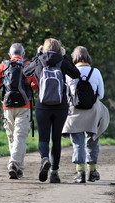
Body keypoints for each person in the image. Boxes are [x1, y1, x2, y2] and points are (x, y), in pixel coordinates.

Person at [23, 38, 80, 183]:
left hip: (43, 106)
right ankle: (54, 173)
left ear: (44, 49)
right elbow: (76, 74)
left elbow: (25, 71)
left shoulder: (39, 60)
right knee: (56, 140)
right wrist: (65, 56)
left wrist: (37, 55)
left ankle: (44, 159)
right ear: (59, 49)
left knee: (43, 138)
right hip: (60, 106)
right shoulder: (62, 61)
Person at [0, 43, 38, 179]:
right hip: (24, 106)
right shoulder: (27, 65)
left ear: (10, 55)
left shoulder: (3, 66)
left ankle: (18, 168)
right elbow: (35, 86)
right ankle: (14, 164)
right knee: (20, 136)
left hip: (7, 107)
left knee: (12, 137)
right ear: (23, 54)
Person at [62, 46, 109, 183]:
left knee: (78, 142)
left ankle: (80, 172)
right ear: (88, 57)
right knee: (92, 139)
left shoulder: (69, 73)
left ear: (74, 58)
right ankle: (92, 171)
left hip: (74, 111)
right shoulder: (96, 72)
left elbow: (66, 95)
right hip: (92, 111)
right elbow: (101, 94)